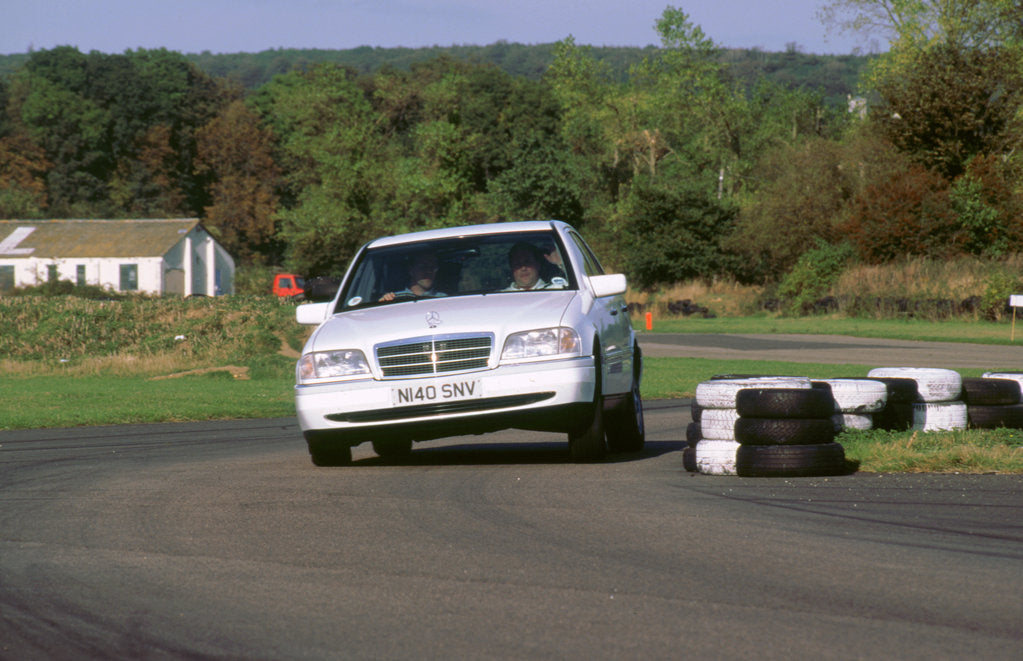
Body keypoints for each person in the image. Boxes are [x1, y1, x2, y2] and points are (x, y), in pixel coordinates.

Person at [380, 250, 447, 301]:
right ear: (411, 270)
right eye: (423, 267)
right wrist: (383, 303)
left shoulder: (444, 299)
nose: (429, 271)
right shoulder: (395, 298)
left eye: (433, 267)